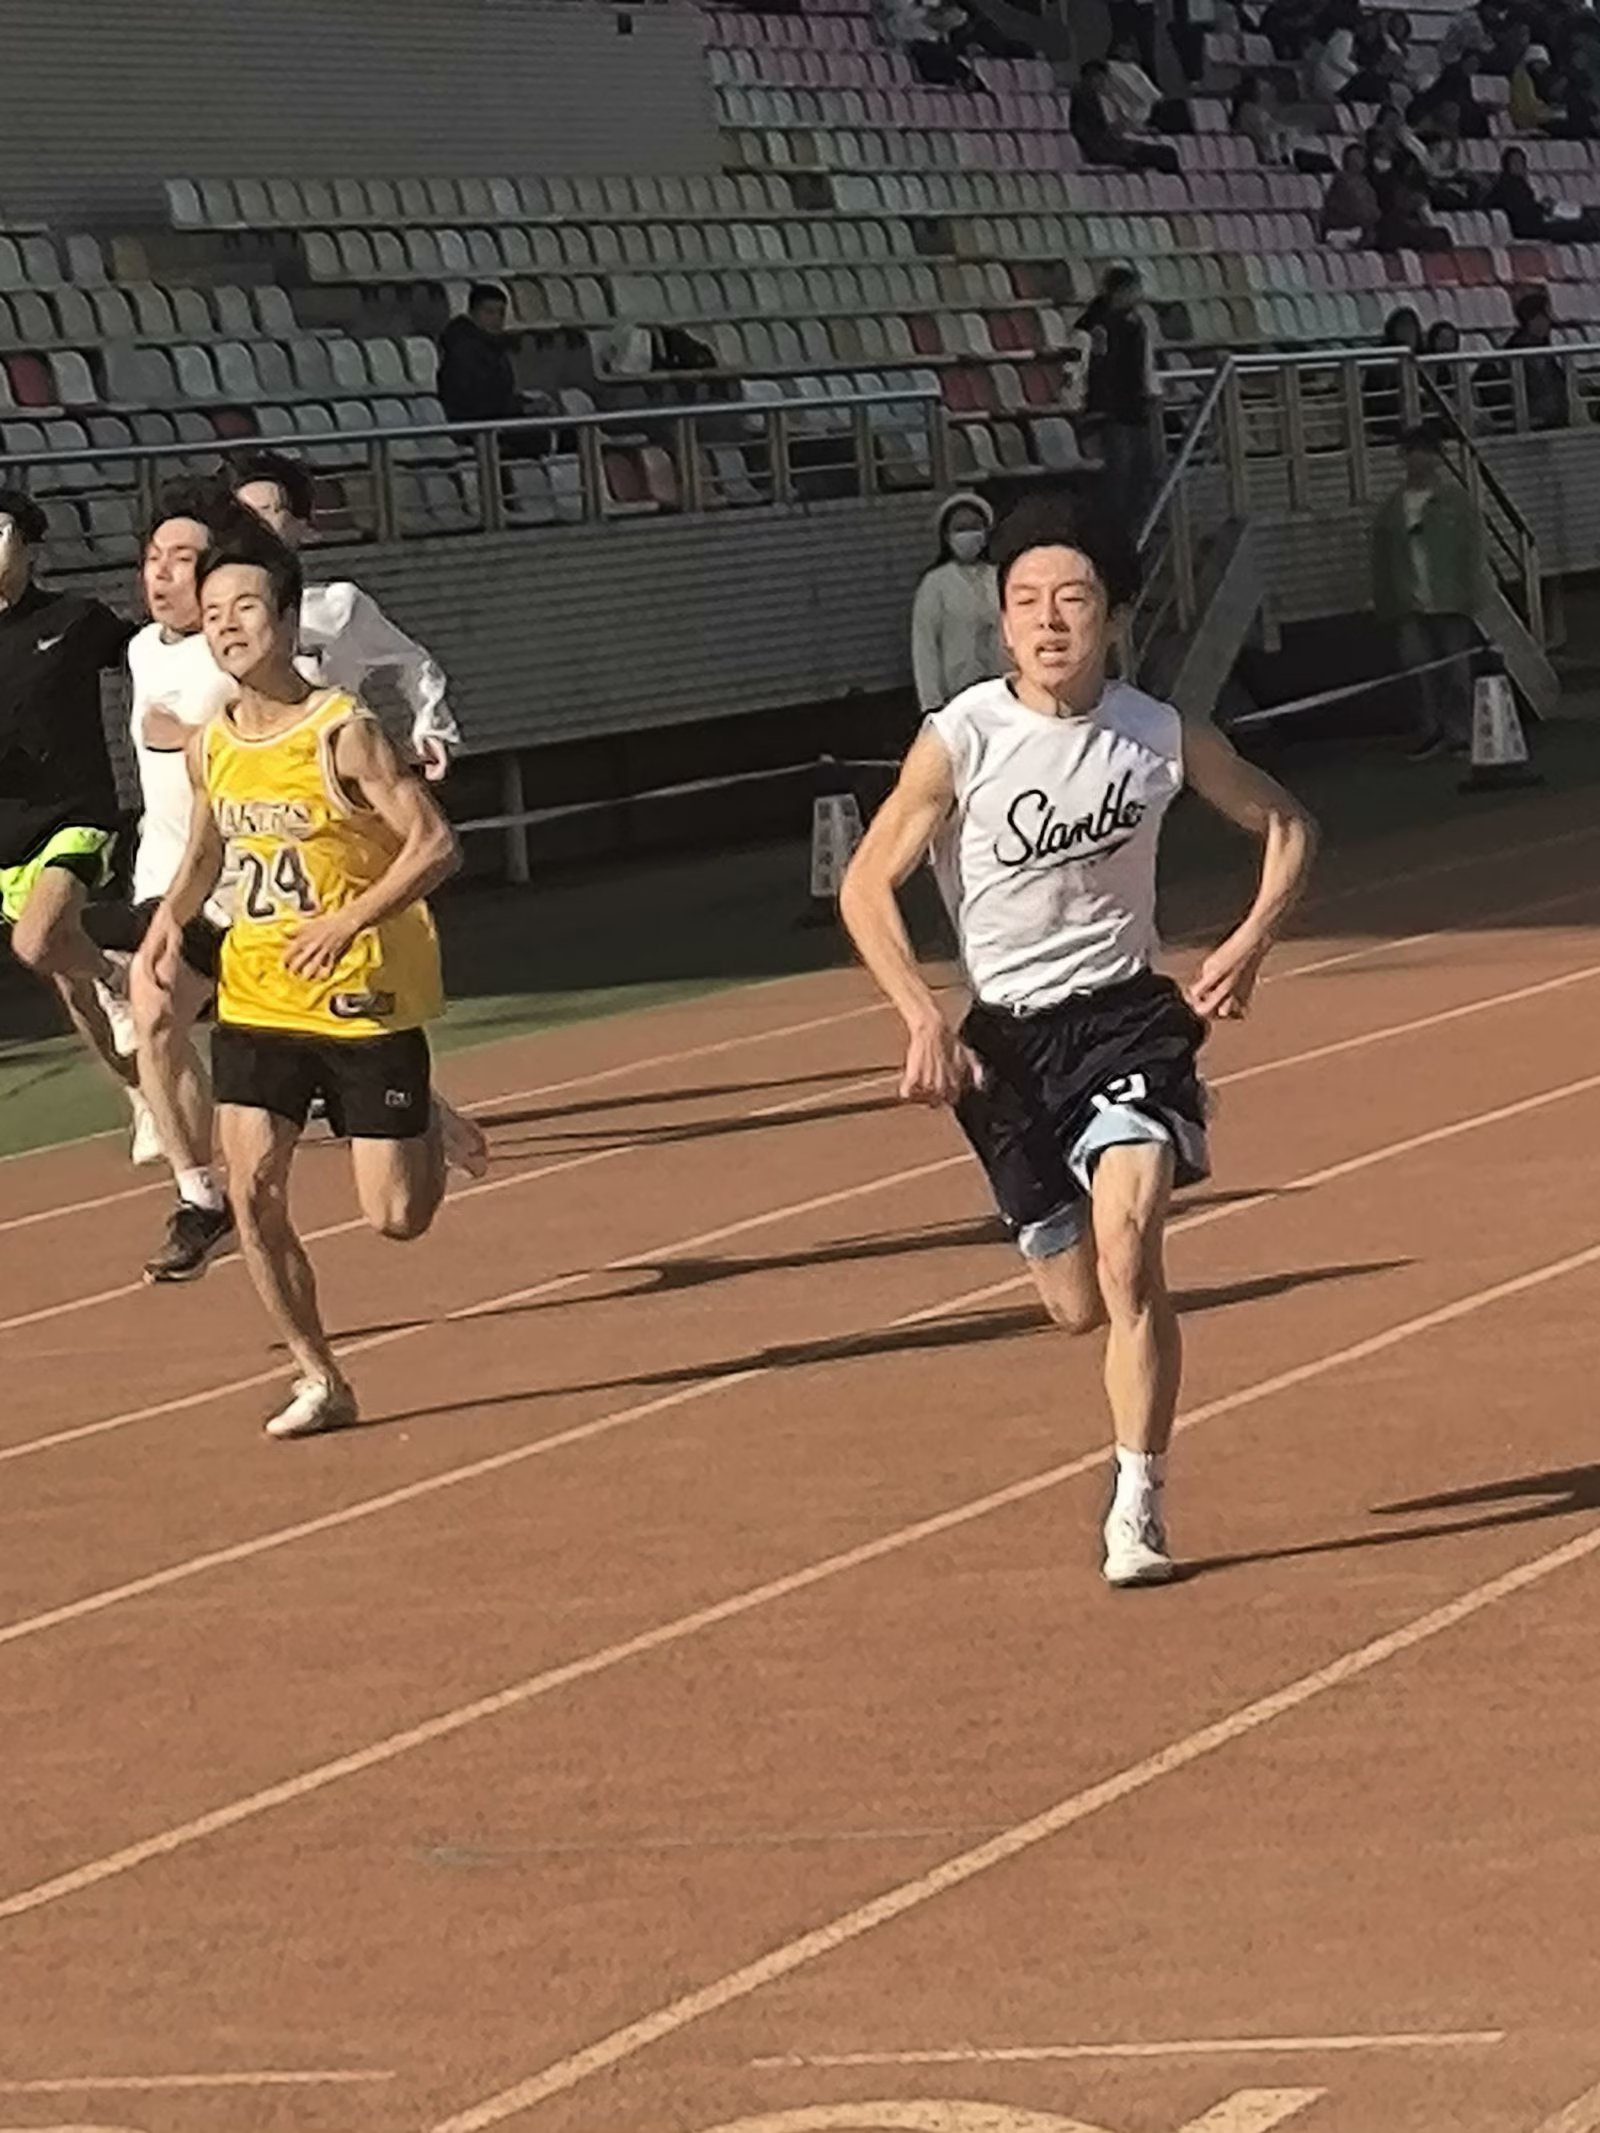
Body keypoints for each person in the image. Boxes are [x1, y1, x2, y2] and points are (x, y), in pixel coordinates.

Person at [840, 489, 1316, 1586]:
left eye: (1073, 599)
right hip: (1004, 1051)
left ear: (1113, 616)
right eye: (1026, 602)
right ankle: (1090, 1277)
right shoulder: (959, 740)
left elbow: (1289, 822)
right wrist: (919, 1012)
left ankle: (1136, 1502)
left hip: (1124, 1023)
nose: (1049, 621)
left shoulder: (1157, 735)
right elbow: (865, 883)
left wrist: (1250, 940)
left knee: (1130, 1253)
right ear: (1002, 623)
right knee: (1074, 1303)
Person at [137, 522, 462, 1439]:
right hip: (258, 997)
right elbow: (207, 851)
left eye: (245, 607)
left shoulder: (343, 733)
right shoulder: (211, 743)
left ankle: (425, 1115)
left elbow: (436, 845)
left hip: (361, 998)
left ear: (287, 622)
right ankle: (320, 1375)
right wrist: (167, 922)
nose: (227, 625)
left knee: (397, 1217)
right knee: (253, 1194)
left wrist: (347, 919)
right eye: (212, 612)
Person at [115, 483, 246, 1281]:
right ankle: (199, 1198)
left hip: (256, 888)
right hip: (171, 879)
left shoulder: (240, 649)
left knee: (339, 1055)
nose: (161, 574)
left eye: (182, 560)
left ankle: (421, 1112)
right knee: (155, 1013)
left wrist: (196, 736)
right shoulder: (140, 650)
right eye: (153, 558)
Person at [0, 485, 145, 1140]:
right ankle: (142, 1091)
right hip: (6, 834)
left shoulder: (75, 619)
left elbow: (151, 656)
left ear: (30, 545)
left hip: (76, 816)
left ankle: (116, 973)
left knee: (37, 942)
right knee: (68, 980)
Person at [230, 452, 459, 779]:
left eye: (269, 511)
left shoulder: (338, 605)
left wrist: (430, 727)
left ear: (302, 527)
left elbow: (413, 662)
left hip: (329, 778)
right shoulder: (208, 616)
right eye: (244, 514)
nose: (256, 526)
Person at [1371, 425, 1482, 760]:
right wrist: (1384, 601)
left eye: (1427, 451)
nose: (1419, 459)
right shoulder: (1392, 507)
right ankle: (1430, 730)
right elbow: (1381, 559)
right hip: (1408, 601)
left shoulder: (1456, 501)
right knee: (1418, 669)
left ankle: (1460, 734)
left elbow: (1472, 550)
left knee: (1456, 670)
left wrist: (1472, 593)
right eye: (1412, 452)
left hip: (1450, 598)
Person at [1078, 266, 1162, 527]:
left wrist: (1149, 391)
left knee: (1143, 467)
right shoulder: (1096, 324)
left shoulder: (1135, 323)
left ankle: (1137, 521)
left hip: (1132, 405)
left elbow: (1143, 364)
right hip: (1111, 408)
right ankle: (1116, 525)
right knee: (1120, 471)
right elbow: (1093, 367)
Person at [912, 492, 1002, 714]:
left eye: (974, 527)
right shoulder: (935, 582)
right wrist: (932, 702)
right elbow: (925, 645)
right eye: (960, 528)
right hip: (957, 694)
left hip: (1002, 688)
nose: (968, 534)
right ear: (946, 536)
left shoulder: (999, 577)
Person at [1070, 60, 1181, 174]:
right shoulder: (1085, 95)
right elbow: (1095, 134)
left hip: (1114, 145)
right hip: (1109, 149)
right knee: (1166, 154)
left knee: (1165, 153)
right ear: (1091, 77)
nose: (1102, 81)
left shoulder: (1095, 97)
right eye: (1099, 78)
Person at [1321, 143, 1380, 240]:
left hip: (1360, 230)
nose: (1358, 161)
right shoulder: (1342, 181)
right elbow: (1356, 209)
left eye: (1361, 158)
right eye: (1354, 158)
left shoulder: (1364, 181)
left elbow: (1373, 208)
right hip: (1341, 232)